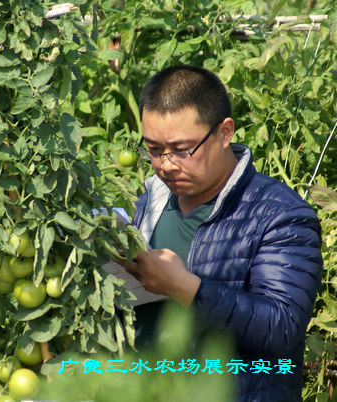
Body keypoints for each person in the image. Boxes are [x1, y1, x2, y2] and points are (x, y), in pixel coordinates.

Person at [114, 65, 323, 401]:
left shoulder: (279, 215)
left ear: (225, 132)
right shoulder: (146, 205)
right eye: (153, 149)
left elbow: (281, 327)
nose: (166, 164)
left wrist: (185, 287)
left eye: (181, 150)